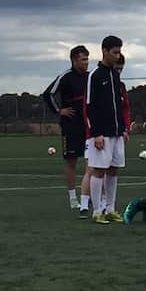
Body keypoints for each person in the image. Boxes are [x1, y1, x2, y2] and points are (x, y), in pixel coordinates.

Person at [84, 35, 126, 224]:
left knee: (113, 170)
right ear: (105, 51)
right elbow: (90, 106)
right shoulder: (95, 75)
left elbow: (118, 104)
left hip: (117, 133)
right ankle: (97, 211)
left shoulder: (115, 75)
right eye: (115, 52)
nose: (118, 56)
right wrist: (97, 133)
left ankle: (110, 208)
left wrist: (123, 128)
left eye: (119, 52)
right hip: (102, 134)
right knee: (99, 170)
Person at [44, 45, 89, 211]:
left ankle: (87, 195)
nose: (86, 63)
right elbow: (48, 94)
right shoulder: (65, 76)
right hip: (70, 126)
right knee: (71, 161)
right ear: (74, 60)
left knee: (90, 161)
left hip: (87, 125)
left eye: (87, 59)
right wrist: (59, 110)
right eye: (83, 59)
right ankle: (72, 198)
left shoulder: (90, 77)